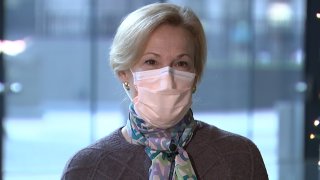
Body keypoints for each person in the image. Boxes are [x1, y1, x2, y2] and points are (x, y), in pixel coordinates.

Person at [61, 3, 269, 180]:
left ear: (195, 76)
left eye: (181, 63)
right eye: (151, 62)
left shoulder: (239, 155)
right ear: (124, 73)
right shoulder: (88, 168)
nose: (167, 78)